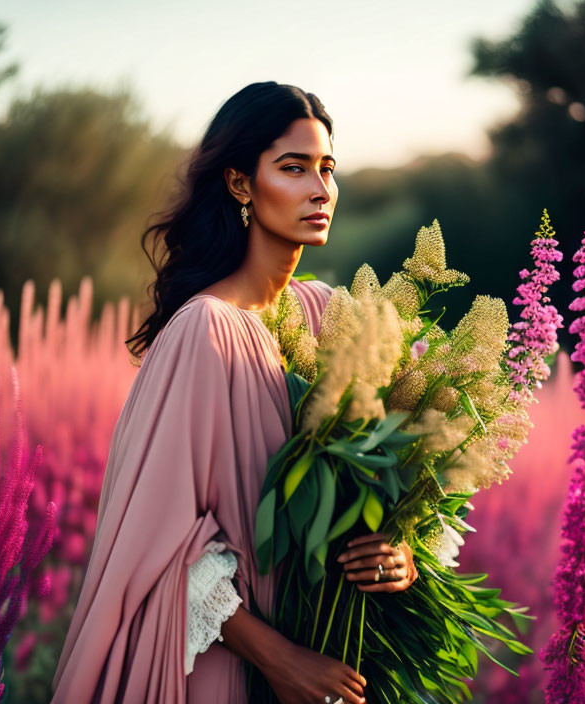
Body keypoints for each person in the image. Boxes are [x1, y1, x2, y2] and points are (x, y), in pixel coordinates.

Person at [52, 82, 417, 704]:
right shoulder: (205, 329)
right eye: (293, 168)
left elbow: (390, 477)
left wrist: (399, 552)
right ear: (241, 184)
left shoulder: (327, 316)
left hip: (328, 658)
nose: (319, 189)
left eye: (327, 169)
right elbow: (158, 548)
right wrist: (280, 661)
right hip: (227, 670)